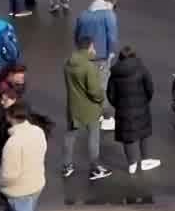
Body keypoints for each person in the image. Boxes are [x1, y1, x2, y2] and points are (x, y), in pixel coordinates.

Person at [0, 104, 45, 211]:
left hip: (19, 191)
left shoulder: (12, 144)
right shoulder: (38, 131)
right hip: (37, 183)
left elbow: (9, 175)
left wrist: (0, 184)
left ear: (10, 118)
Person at [105, 45, 158, 173]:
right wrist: (145, 100)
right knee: (143, 133)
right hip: (141, 106)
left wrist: (118, 105)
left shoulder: (115, 73)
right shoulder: (141, 69)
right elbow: (150, 88)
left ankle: (132, 164)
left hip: (123, 109)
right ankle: (145, 160)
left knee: (127, 137)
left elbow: (110, 94)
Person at [62, 35, 108, 181]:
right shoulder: (89, 67)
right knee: (93, 138)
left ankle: (67, 166)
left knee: (70, 136)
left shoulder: (68, 63)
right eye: (93, 47)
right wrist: (101, 100)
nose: (94, 49)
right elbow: (94, 91)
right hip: (89, 109)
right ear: (89, 47)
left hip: (73, 107)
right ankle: (95, 167)